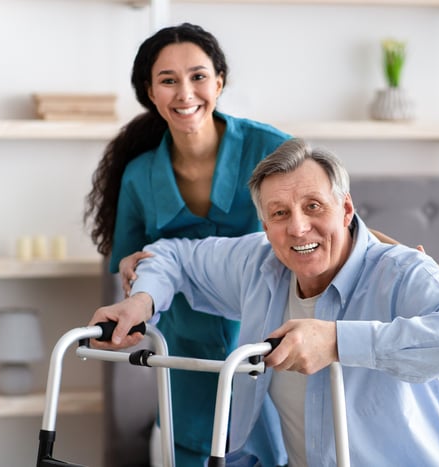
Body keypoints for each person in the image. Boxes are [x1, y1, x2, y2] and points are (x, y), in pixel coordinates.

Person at [90, 138, 439, 466]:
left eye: (313, 206)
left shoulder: (401, 272)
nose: (299, 228)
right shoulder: (258, 263)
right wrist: (141, 300)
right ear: (265, 224)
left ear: (345, 209)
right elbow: (174, 255)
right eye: (280, 214)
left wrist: (338, 341)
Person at [83, 23, 292, 466]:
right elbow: (129, 257)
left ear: (219, 82)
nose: (185, 93)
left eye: (198, 76)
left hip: (269, 347)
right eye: (168, 80)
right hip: (185, 351)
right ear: (150, 92)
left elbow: (334, 224)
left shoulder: (271, 150)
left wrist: (395, 254)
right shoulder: (140, 174)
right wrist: (130, 266)